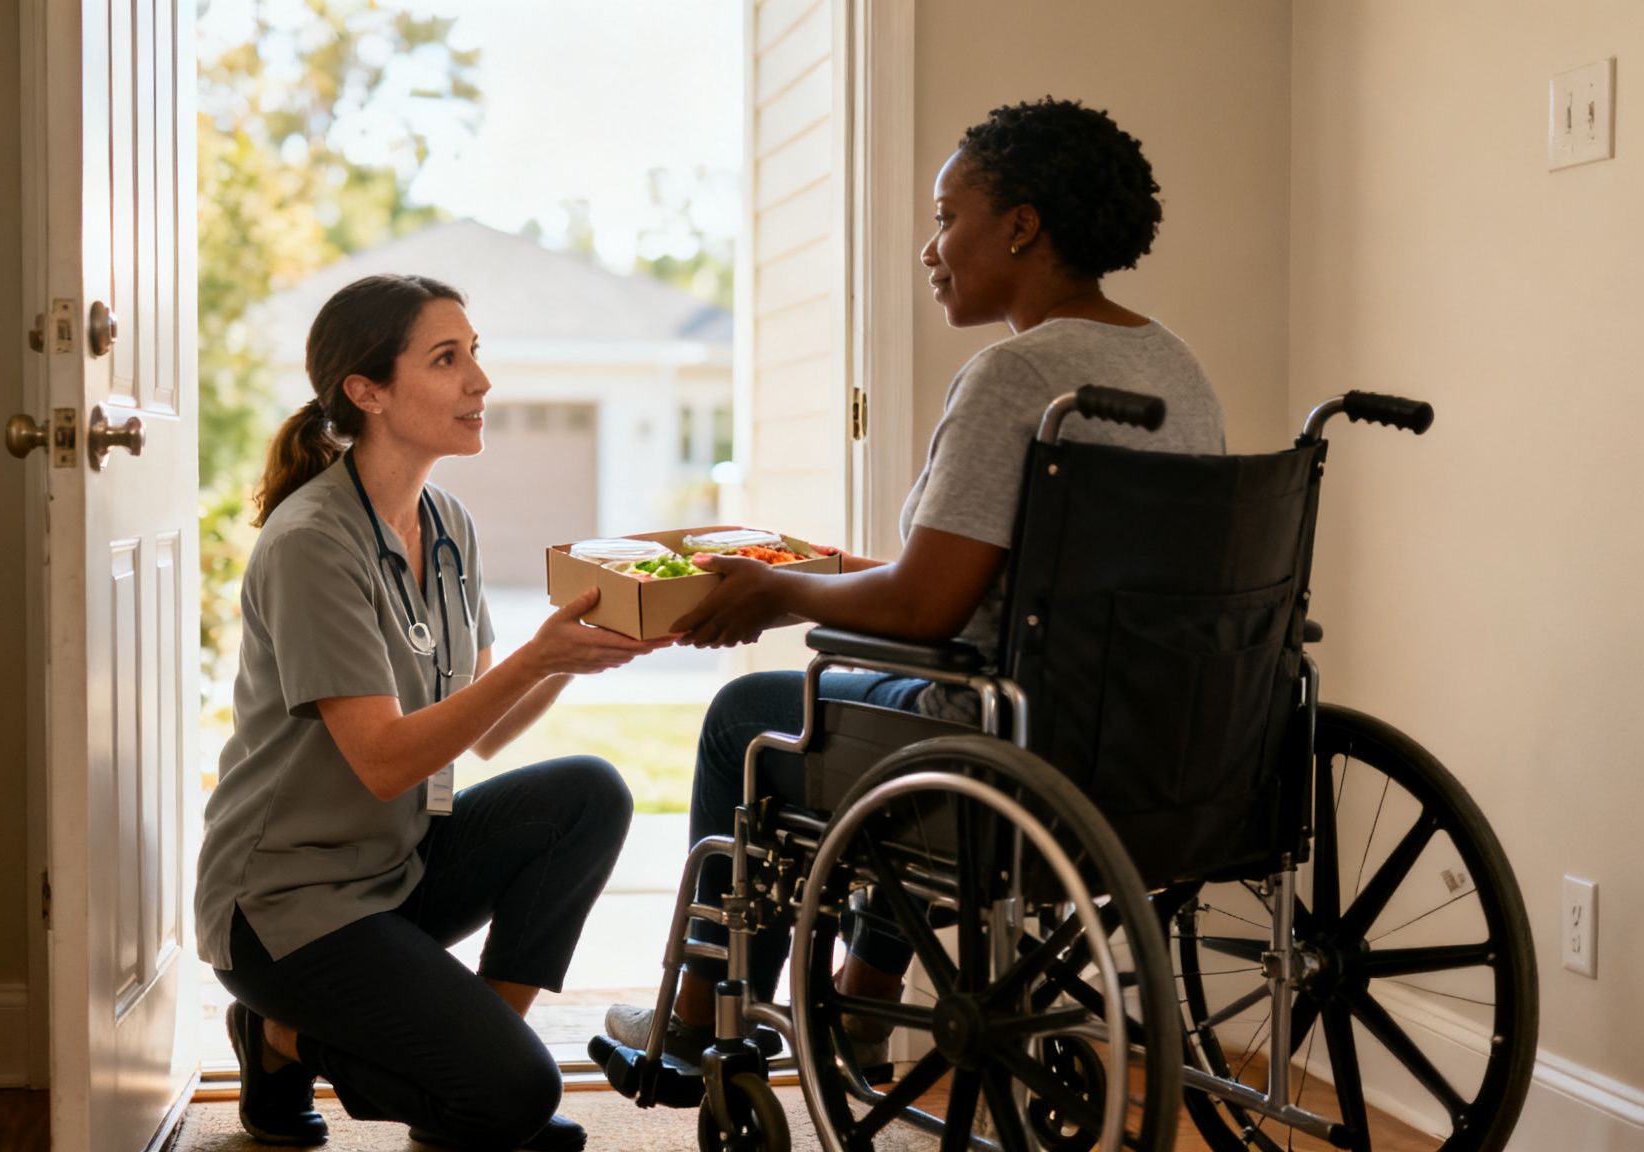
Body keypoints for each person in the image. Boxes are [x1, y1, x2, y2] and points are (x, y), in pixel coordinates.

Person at [604, 97, 1228, 1062]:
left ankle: (694, 1022)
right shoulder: (1173, 365)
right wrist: (817, 567)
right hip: (1159, 744)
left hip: (1009, 740)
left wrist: (778, 595)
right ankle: (861, 999)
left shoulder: (1017, 376)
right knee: (906, 697)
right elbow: (981, 586)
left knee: (753, 717)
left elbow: (925, 606)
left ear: (1020, 225)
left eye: (946, 217)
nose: (931, 247)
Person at [195, 273, 667, 1151]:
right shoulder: (310, 544)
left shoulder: (446, 523)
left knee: (588, 794)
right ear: (365, 391)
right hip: (286, 907)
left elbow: (485, 732)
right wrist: (537, 655)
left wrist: (580, 647)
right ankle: (279, 1037)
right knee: (516, 1100)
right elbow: (382, 760)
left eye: (475, 353)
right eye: (447, 359)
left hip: (396, 871)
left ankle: (478, 1058)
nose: (480, 381)